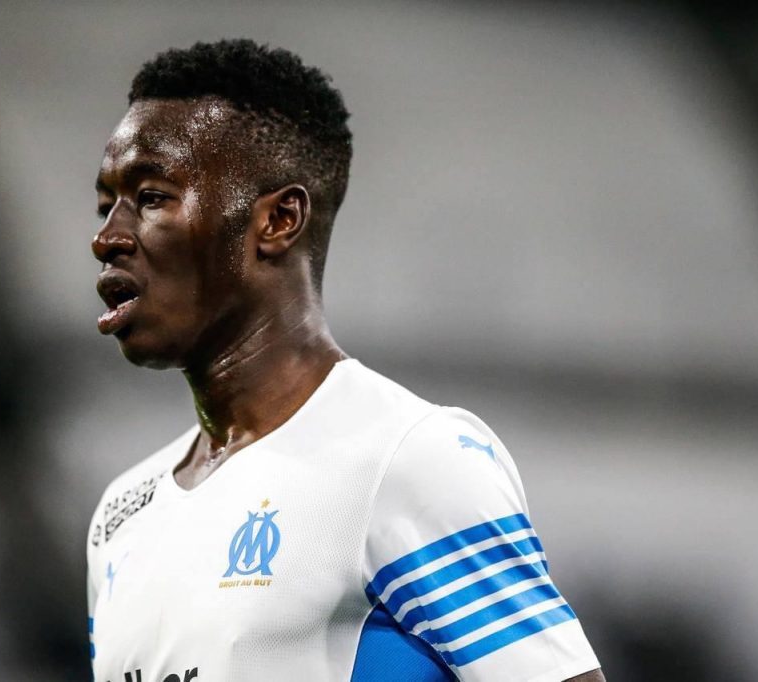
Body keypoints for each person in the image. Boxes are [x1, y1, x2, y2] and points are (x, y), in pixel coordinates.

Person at [87, 39, 604, 682]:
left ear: (279, 220)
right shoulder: (120, 515)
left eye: (151, 197)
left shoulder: (407, 459)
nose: (107, 237)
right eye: (105, 204)